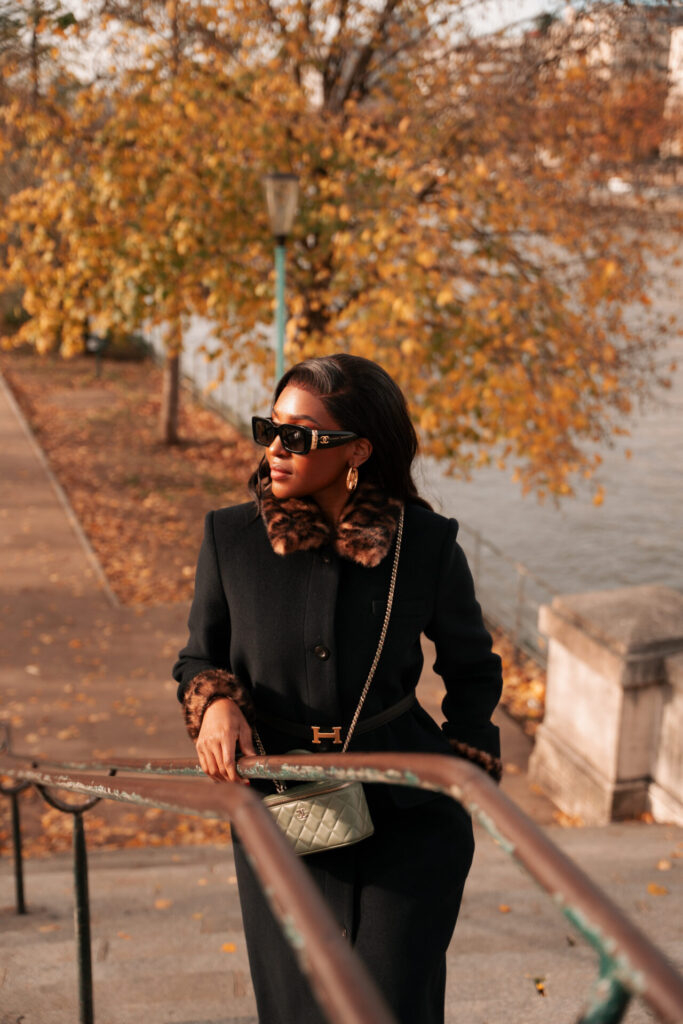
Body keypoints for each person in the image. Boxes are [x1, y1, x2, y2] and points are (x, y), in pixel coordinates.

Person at [173, 353, 503, 1024]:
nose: (275, 448)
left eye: (298, 435)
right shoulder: (230, 537)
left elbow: (471, 669)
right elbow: (197, 657)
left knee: (393, 1003)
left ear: (356, 450)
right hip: (279, 809)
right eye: (270, 427)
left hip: (407, 808)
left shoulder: (426, 544)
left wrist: (465, 772)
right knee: (300, 1006)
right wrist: (215, 702)